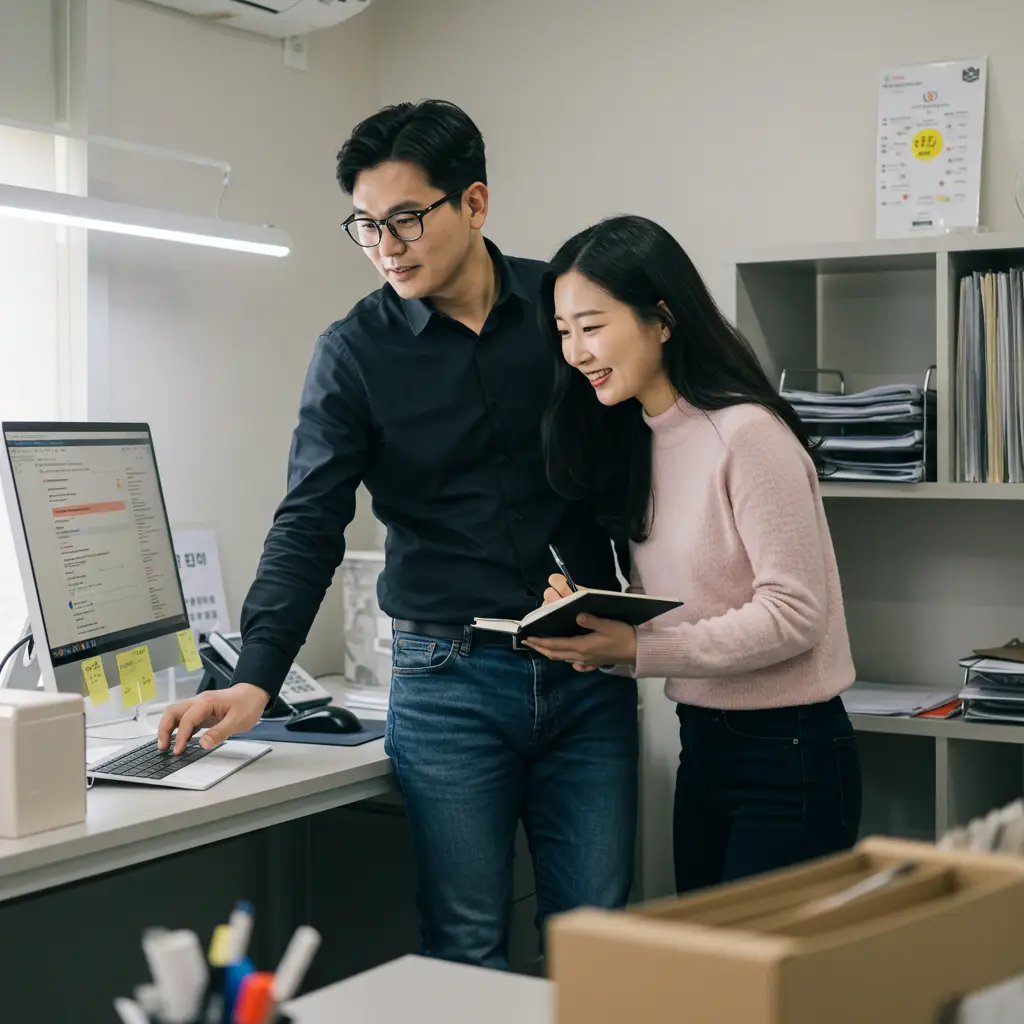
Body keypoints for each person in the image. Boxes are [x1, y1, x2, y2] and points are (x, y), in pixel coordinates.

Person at [156, 101, 638, 968]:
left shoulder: (565, 315)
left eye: (408, 219)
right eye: (368, 226)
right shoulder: (354, 351)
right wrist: (257, 676)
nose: (388, 245)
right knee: (465, 945)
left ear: (476, 204)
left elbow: (637, 459)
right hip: (448, 680)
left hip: (585, 671)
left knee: (599, 944)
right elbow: (309, 522)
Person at [525, 215, 861, 893]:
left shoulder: (748, 435)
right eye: (564, 332)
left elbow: (795, 614)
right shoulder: (639, 440)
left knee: (758, 996)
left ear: (662, 320)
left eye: (592, 327)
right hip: (703, 746)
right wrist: (592, 624)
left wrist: (638, 651)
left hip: (789, 753)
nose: (576, 351)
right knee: (712, 988)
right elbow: (693, 610)